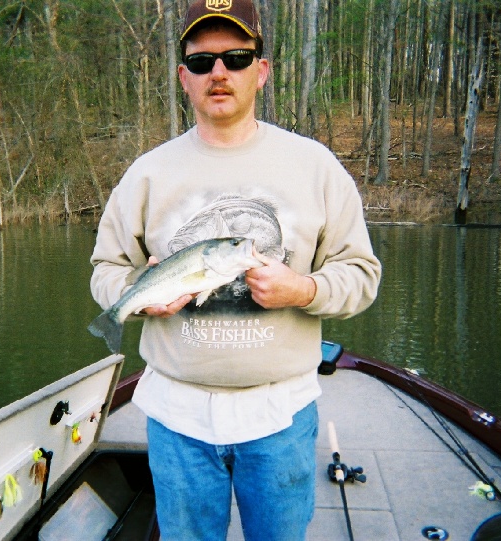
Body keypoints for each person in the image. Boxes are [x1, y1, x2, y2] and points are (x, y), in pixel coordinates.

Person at [89, 0, 381, 539]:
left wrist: (304, 288)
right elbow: (106, 267)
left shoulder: (315, 166)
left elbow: (362, 273)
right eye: (201, 62)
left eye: (237, 57)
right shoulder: (146, 173)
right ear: (184, 77)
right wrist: (138, 292)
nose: (218, 73)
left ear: (261, 71)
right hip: (176, 418)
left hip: (281, 417)